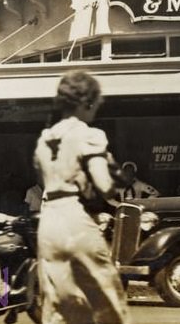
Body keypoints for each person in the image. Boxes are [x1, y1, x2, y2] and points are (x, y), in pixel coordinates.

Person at [34, 70, 130, 324]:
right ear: (86, 102)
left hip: (48, 223)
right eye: (96, 103)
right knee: (106, 296)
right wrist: (112, 173)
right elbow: (104, 185)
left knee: (61, 304)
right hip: (74, 219)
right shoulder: (89, 134)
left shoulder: (44, 140)